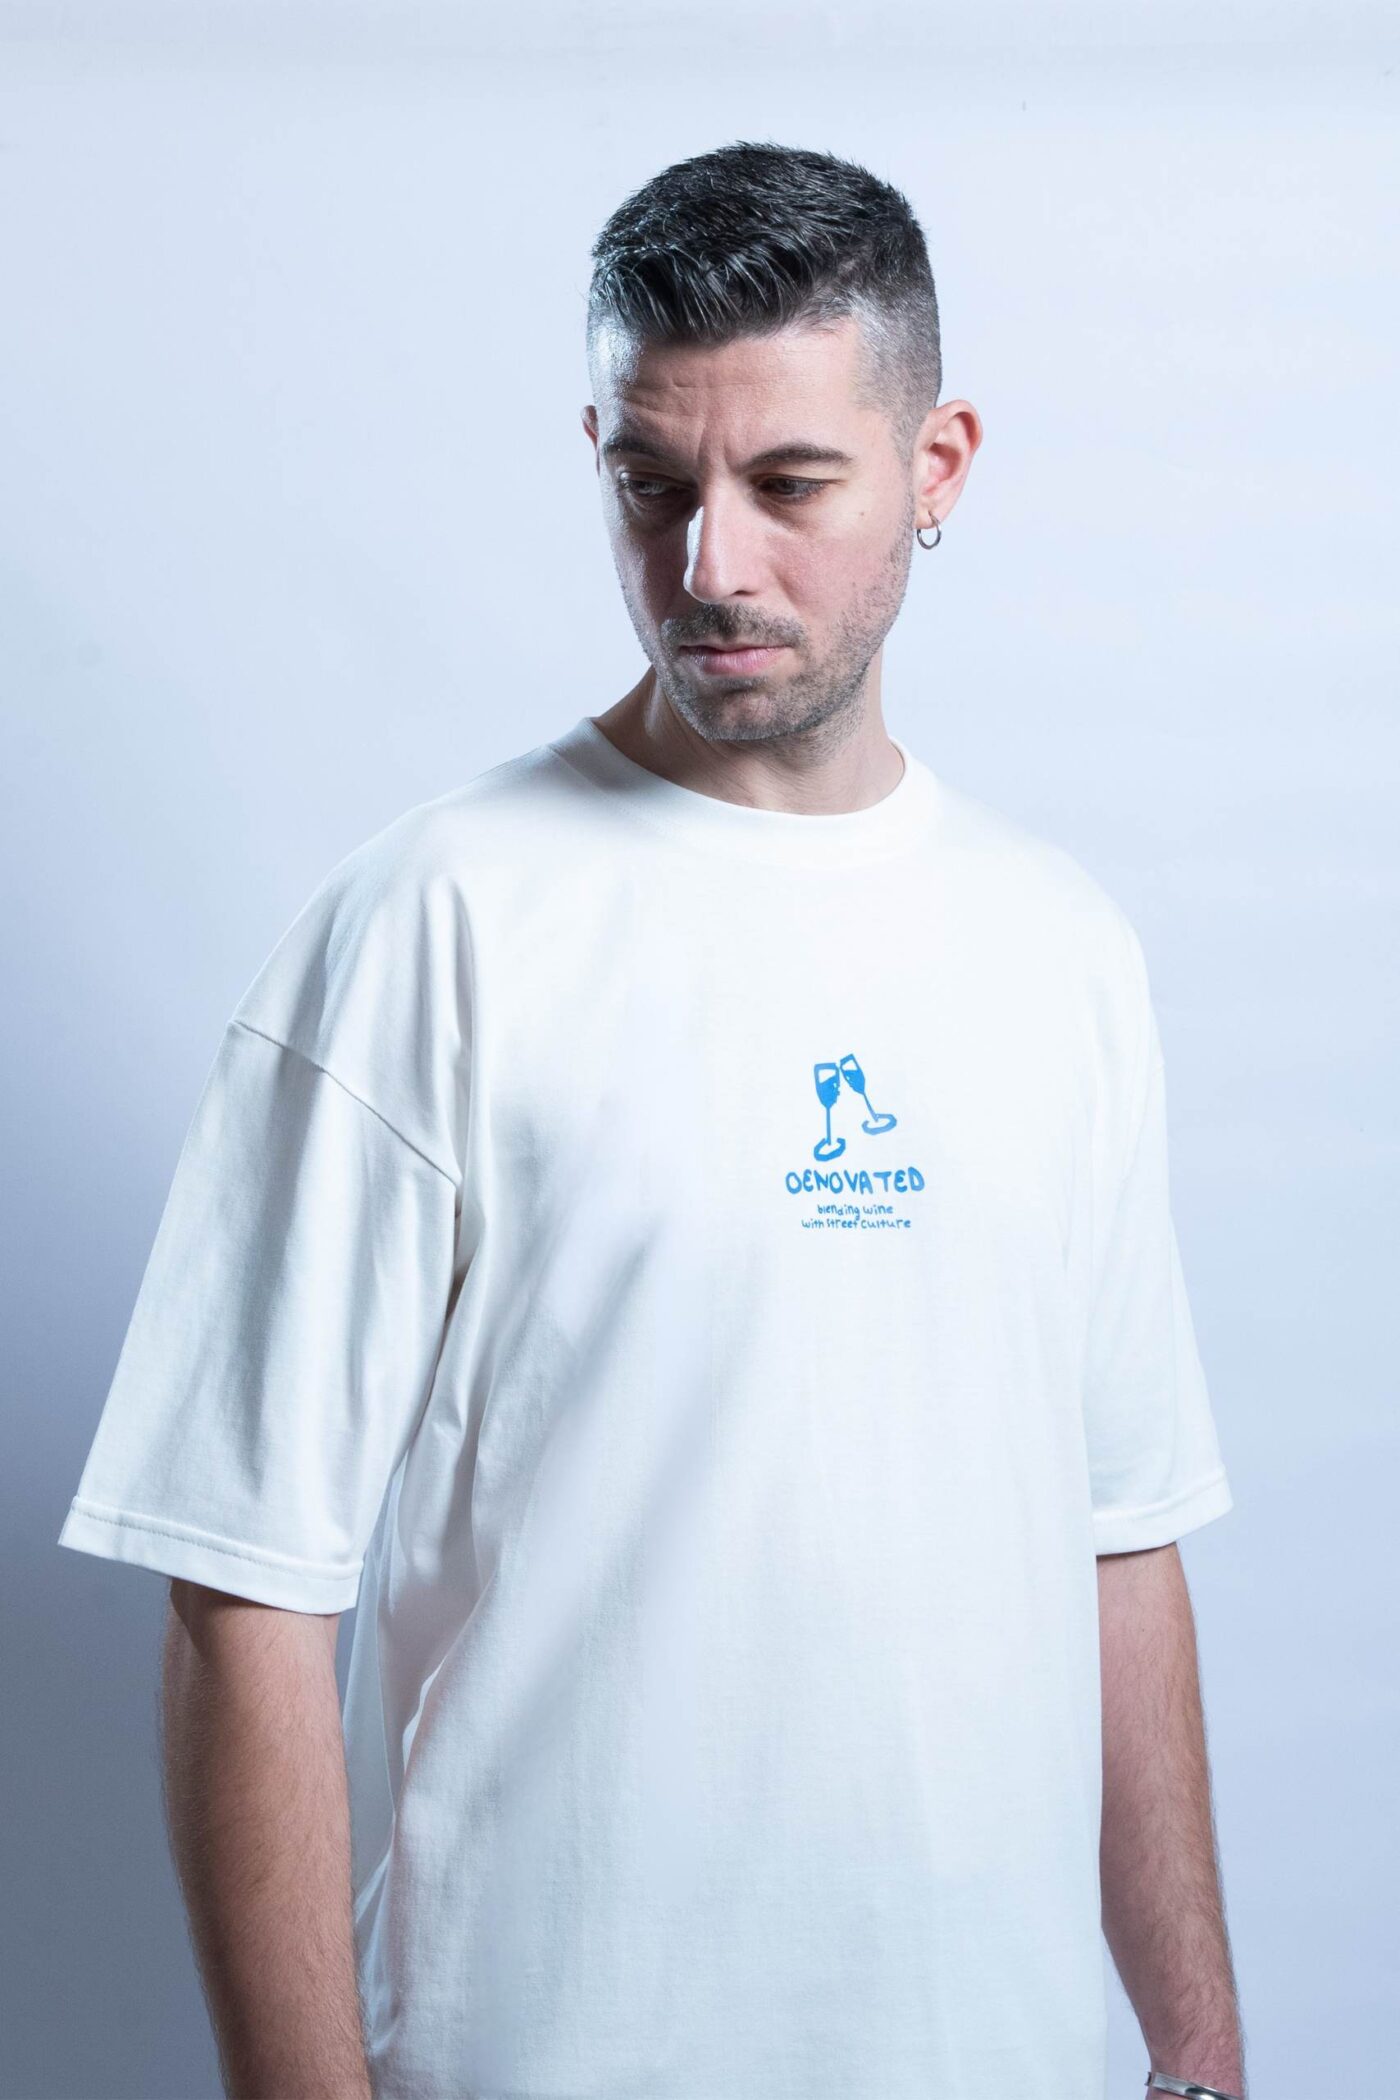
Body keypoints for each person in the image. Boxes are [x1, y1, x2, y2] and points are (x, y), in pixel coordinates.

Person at [57, 139, 1247, 2100]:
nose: (710, 567)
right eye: (651, 485)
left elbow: (1120, 1542)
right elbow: (244, 1593)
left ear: (938, 466)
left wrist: (1198, 2056)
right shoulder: (432, 928)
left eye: (790, 486)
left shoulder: (1060, 950)